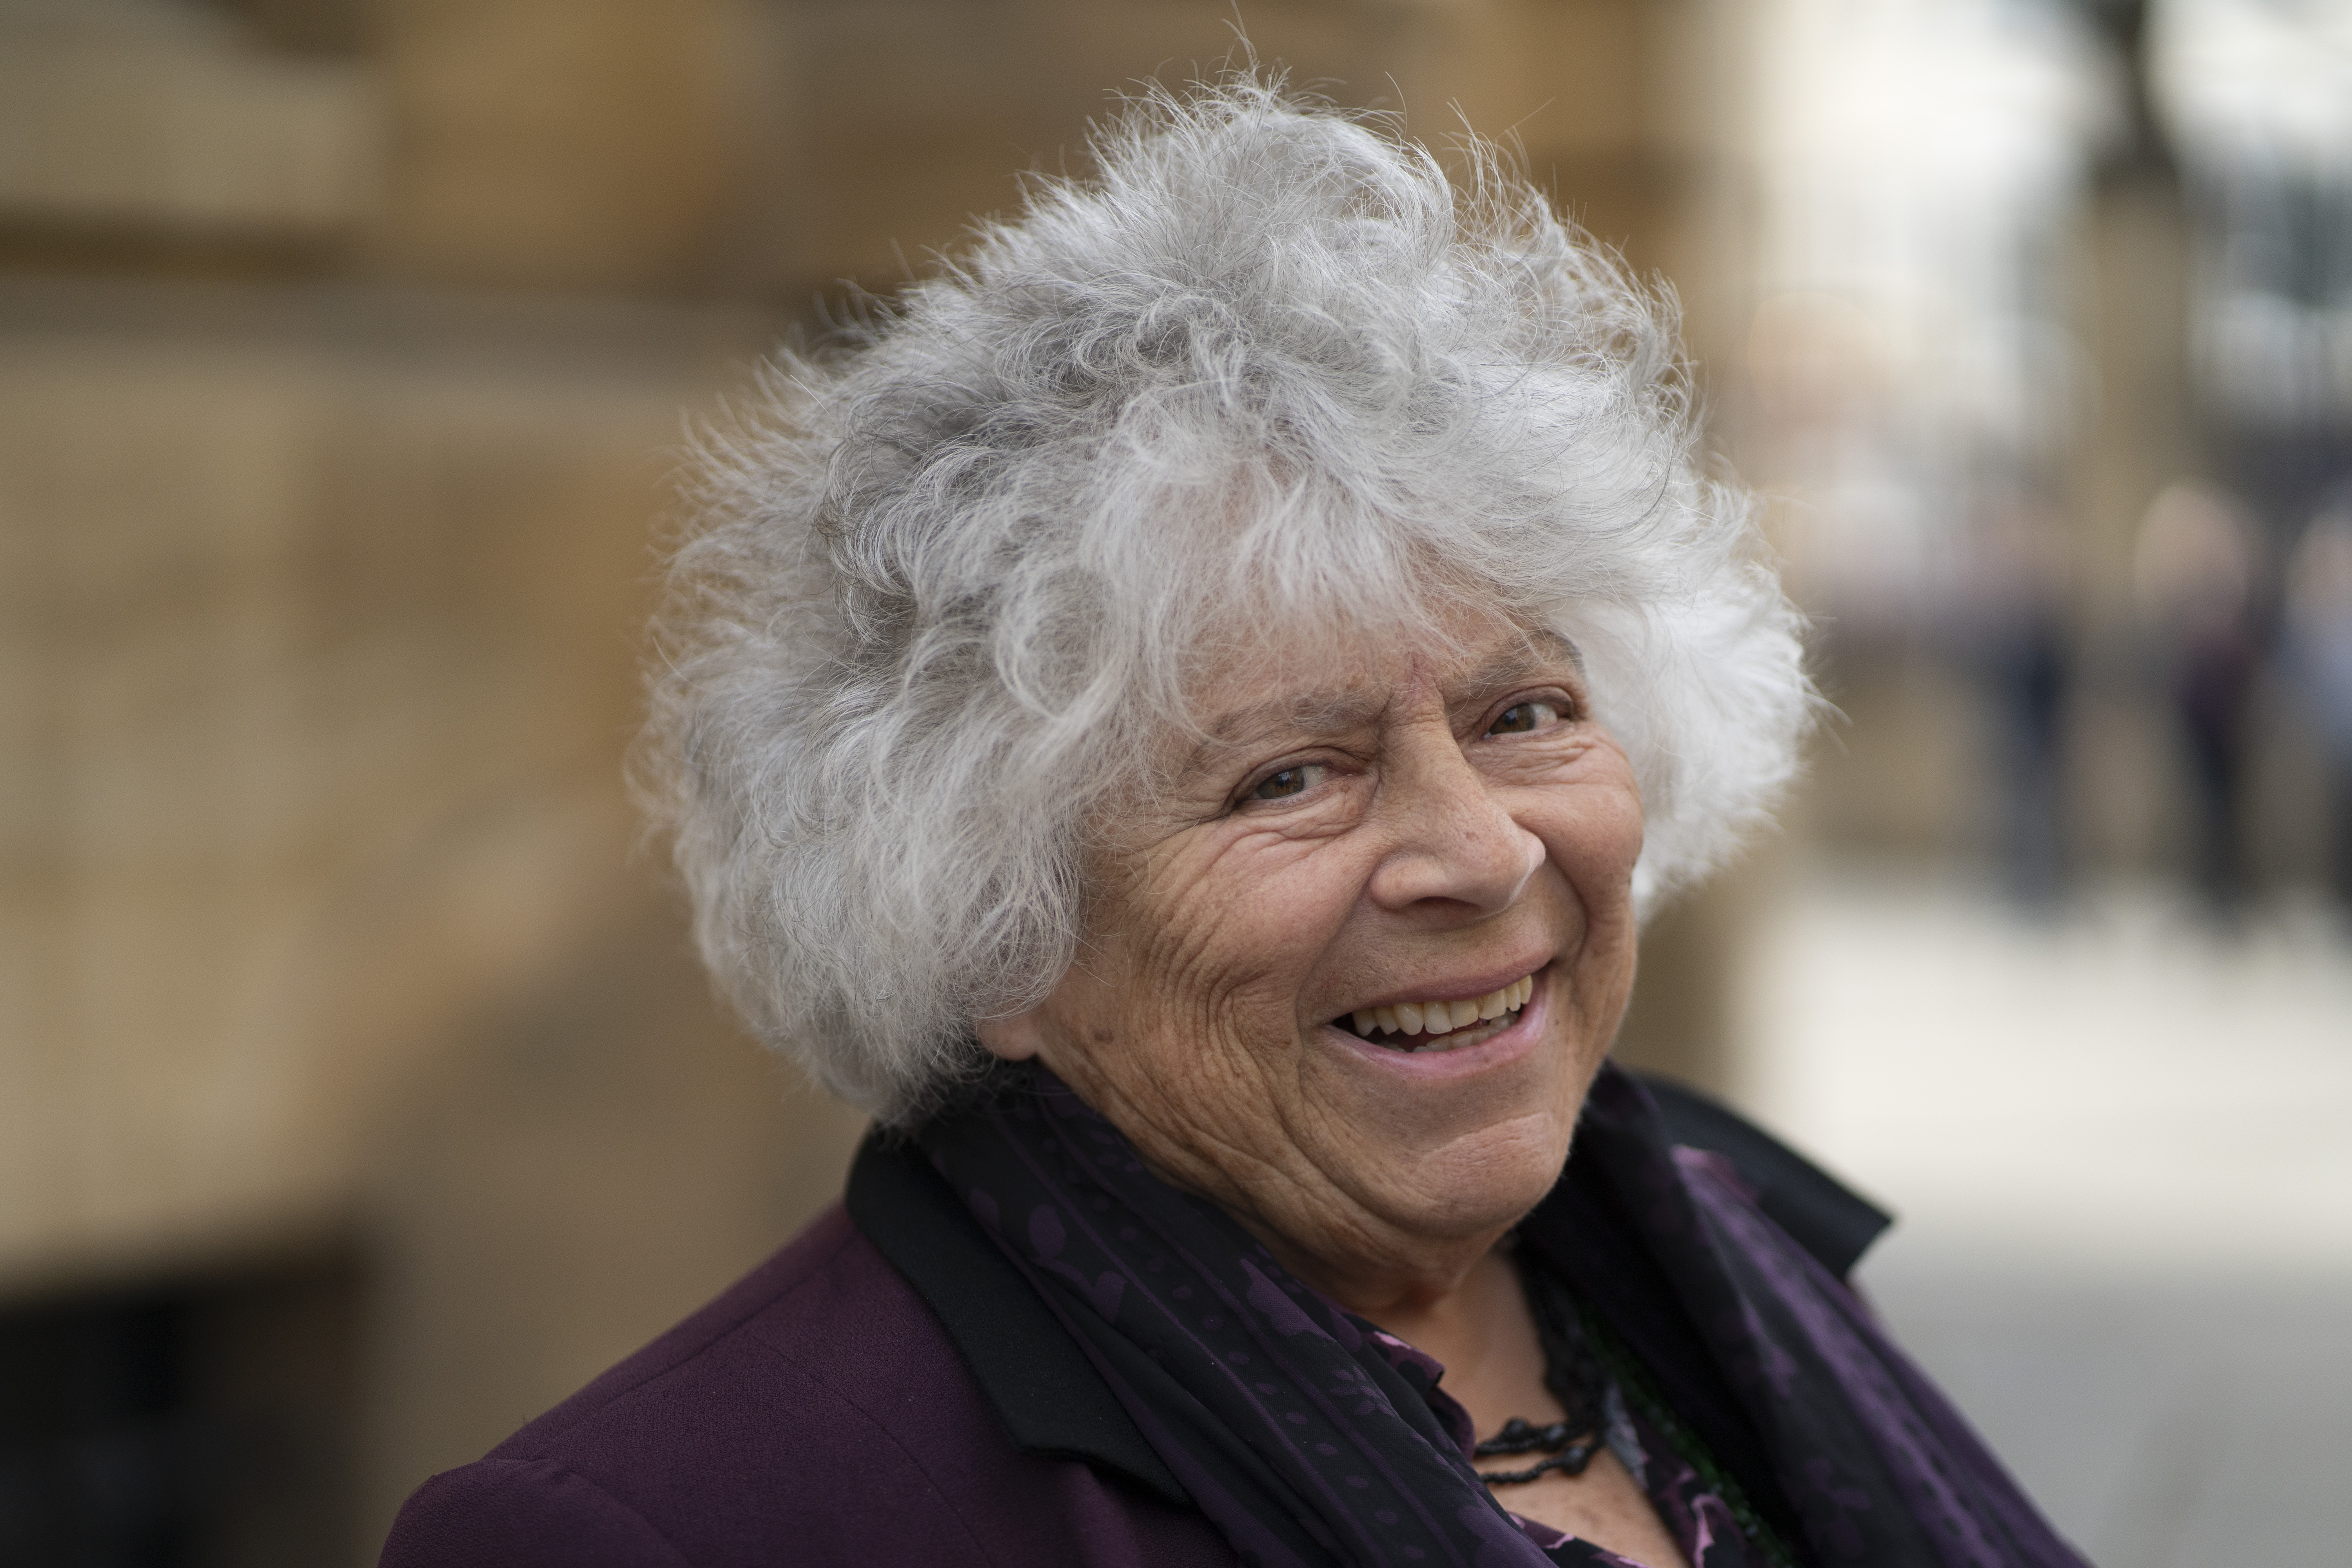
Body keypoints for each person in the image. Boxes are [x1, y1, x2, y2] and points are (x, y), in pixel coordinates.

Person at [380, 79, 2084, 1568]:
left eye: (1524, 715)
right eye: (1291, 775)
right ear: (994, 923)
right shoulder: (679, 1529)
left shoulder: (1732, 1245)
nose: (1482, 852)